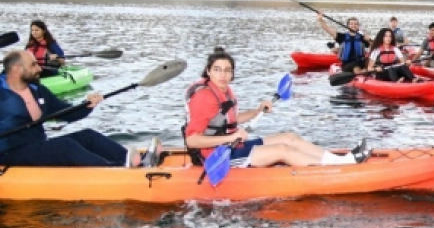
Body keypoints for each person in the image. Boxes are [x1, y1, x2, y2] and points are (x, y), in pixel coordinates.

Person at [185, 50, 370, 167]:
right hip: (217, 157)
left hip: (231, 145)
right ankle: (337, 168)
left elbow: (229, 120)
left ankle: (340, 161)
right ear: (208, 71)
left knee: (289, 137)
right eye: (217, 69)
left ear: (232, 73)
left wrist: (257, 111)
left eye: (227, 70)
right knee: (282, 149)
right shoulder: (204, 97)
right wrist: (232, 137)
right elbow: (192, 140)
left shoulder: (224, 90)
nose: (222, 75)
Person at [0, 50, 144, 167]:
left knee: (88, 136)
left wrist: (87, 105)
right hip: (9, 153)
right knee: (64, 146)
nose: (39, 68)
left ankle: (136, 160)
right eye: (33, 65)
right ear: (17, 69)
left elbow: (66, 113)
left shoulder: (37, 89)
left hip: (37, 146)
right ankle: (116, 169)